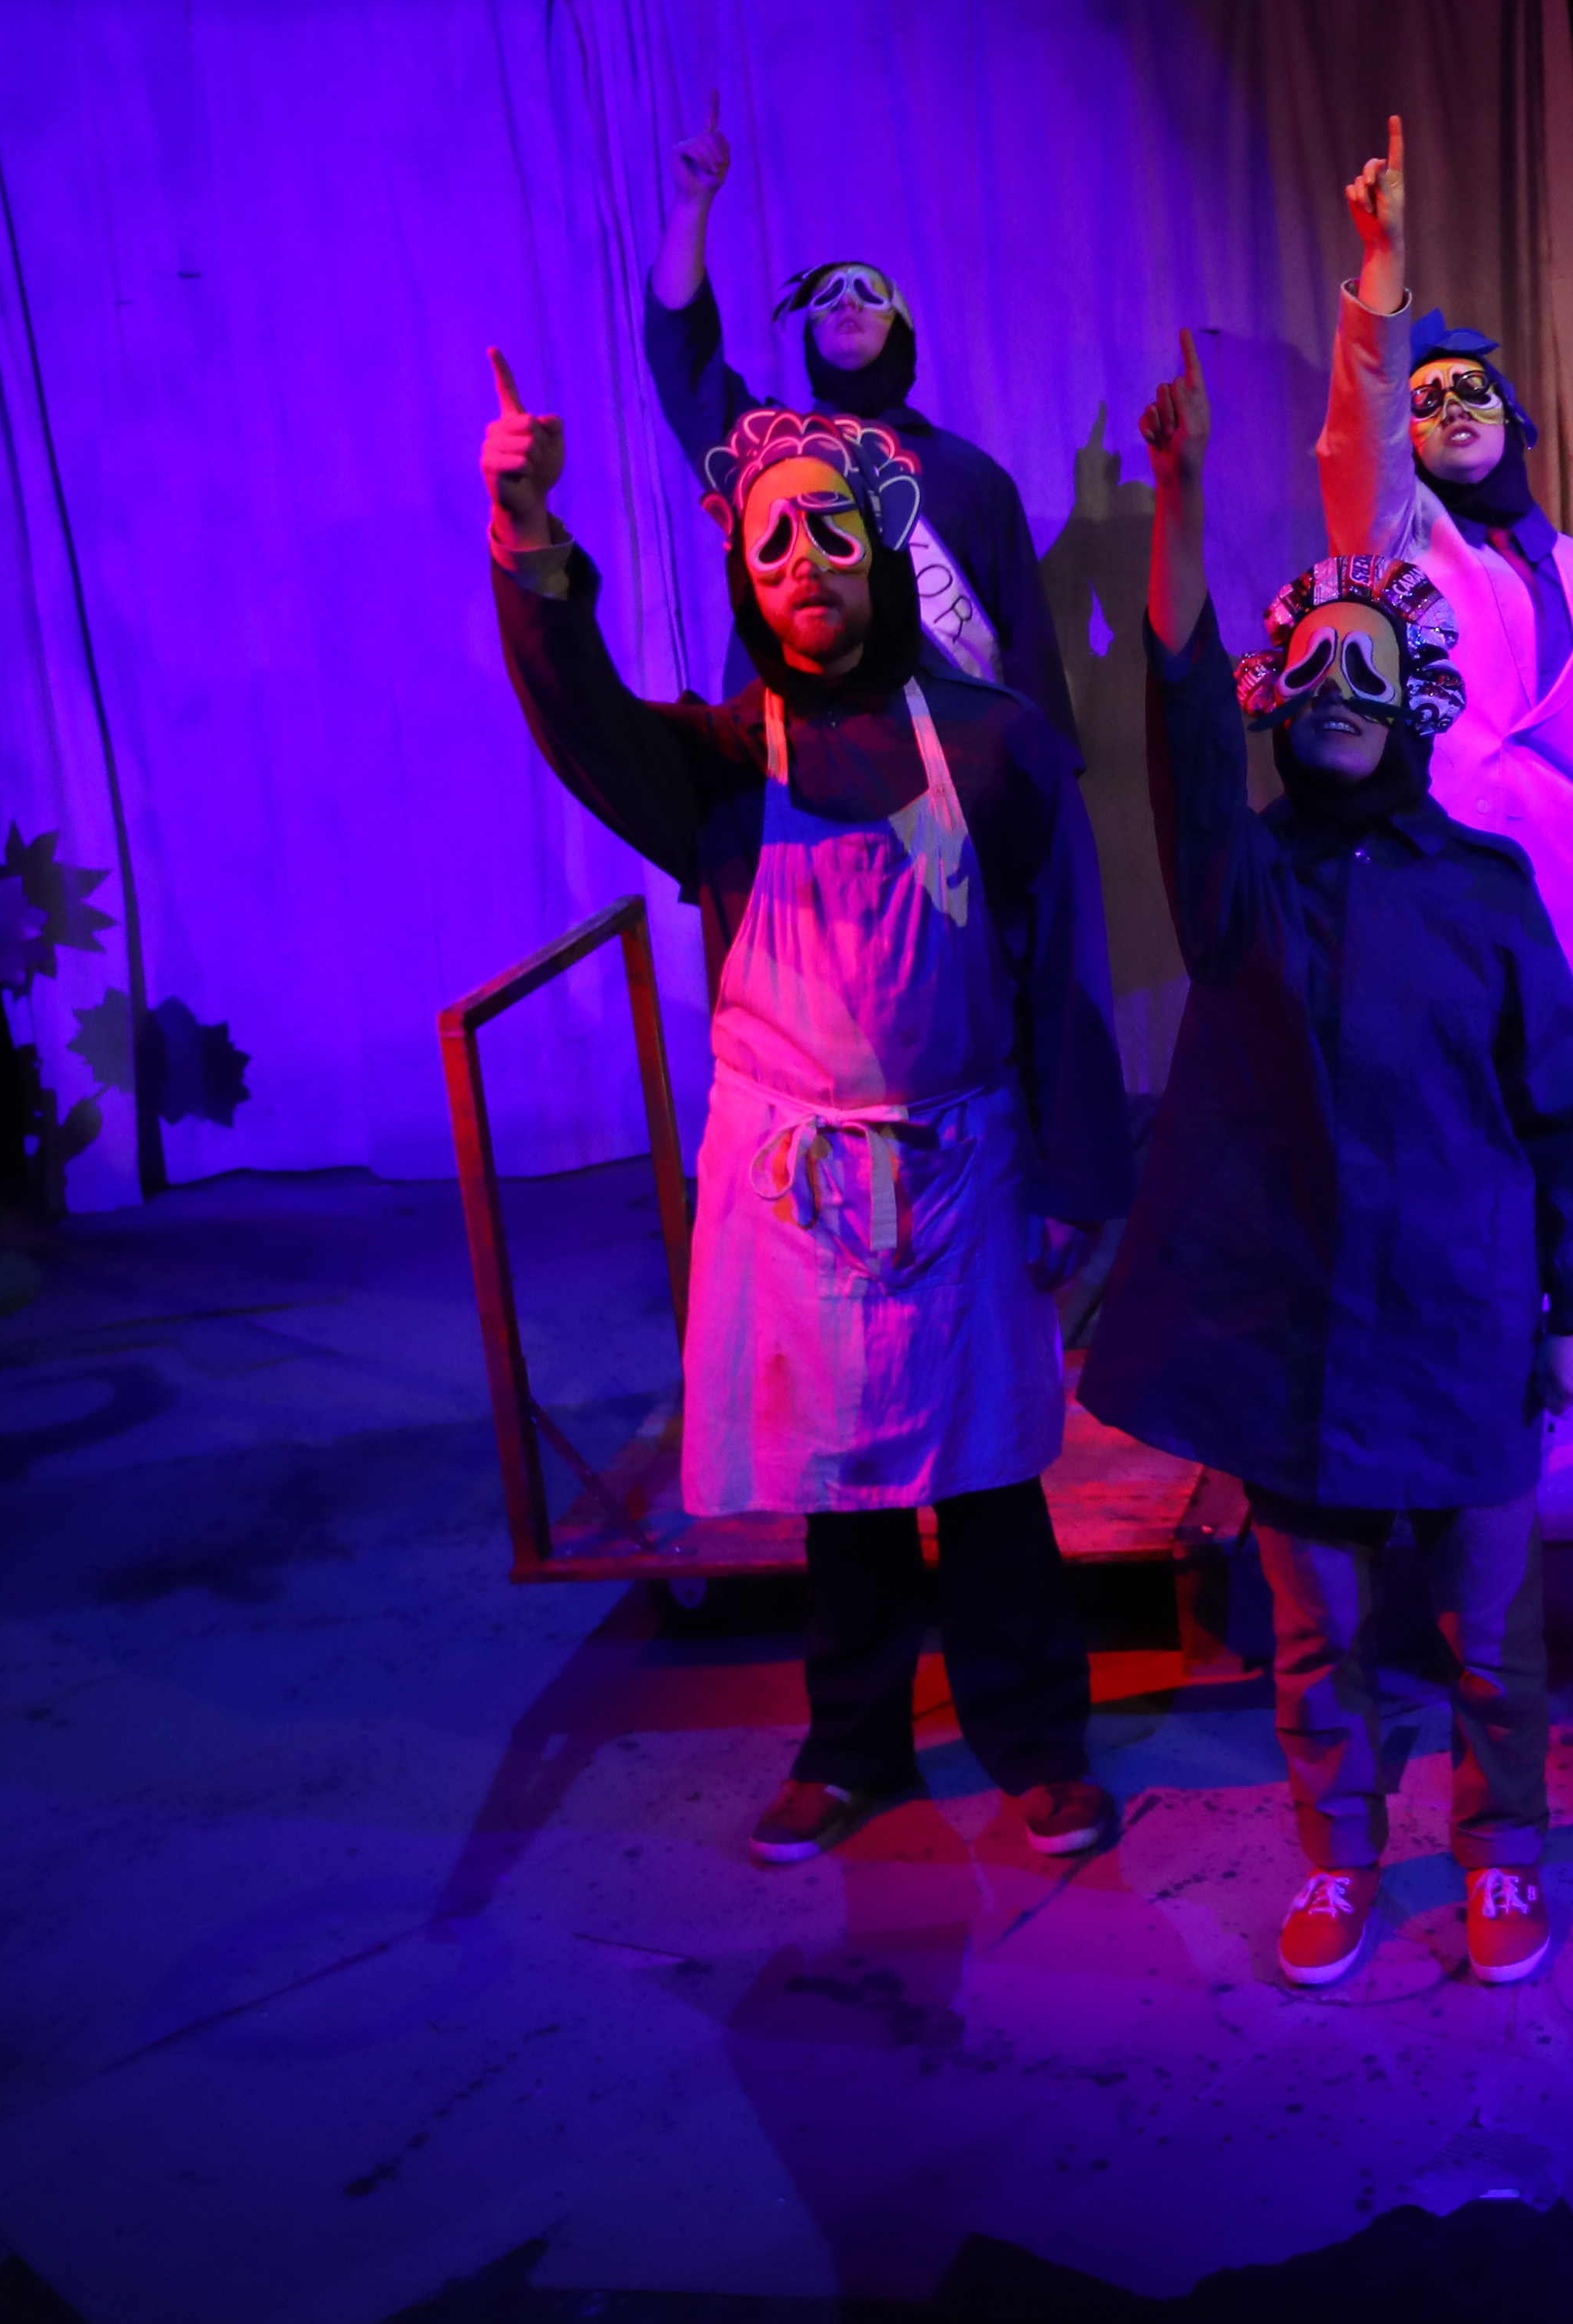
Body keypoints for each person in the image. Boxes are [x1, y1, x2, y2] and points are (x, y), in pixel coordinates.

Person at [480, 351, 1135, 1868]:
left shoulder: (995, 744)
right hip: (798, 1187)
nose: (801, 560)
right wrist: (525, 534)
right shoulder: (720, 767)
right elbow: (580, 715)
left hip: (965, 1159)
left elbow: (1060, 969)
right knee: (844, 1488)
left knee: (987, 1473)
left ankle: (1035, 1741)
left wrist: (1073, 1172)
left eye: (830, 529)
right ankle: (851, 1746)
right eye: (769, 539)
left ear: (880, 549)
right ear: (746, 577)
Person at [1083, 334, 1573, 1991]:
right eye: (1309, 669)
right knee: (1318, 1636)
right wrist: (1180, 500)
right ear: (1278, 700)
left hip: (1463, 1311)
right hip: (1300, 1328)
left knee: (1489, 1637)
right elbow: (1183, 733)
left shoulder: (1485, 886)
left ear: (1414, 702)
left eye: (1369, 667)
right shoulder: (1244, 886)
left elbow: (1563, 1102)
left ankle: (1502, 1847)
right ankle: (1340, 1849)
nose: (1337, 689)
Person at [1313, 115, 1573, 1009]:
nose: (1452, 407)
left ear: (1515, 421)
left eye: (1474, 390)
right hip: (1436, 878)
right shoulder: (1400, 544)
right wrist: (1384, 253)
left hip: (1565, 888)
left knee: (1561, 1084)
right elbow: (1359, 432)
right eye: (1426, 402)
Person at [643, 96, 1077, 739]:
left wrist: (1047, 785)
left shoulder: (979, 479)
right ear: (808, 337)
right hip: (797, 762)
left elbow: (1031, 663)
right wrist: (690, 206)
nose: (847, 302)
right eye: (826, 298)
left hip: (957, 772)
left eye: (871, 294)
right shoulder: (767, 454)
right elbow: (683, 360)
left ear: (904, 333)